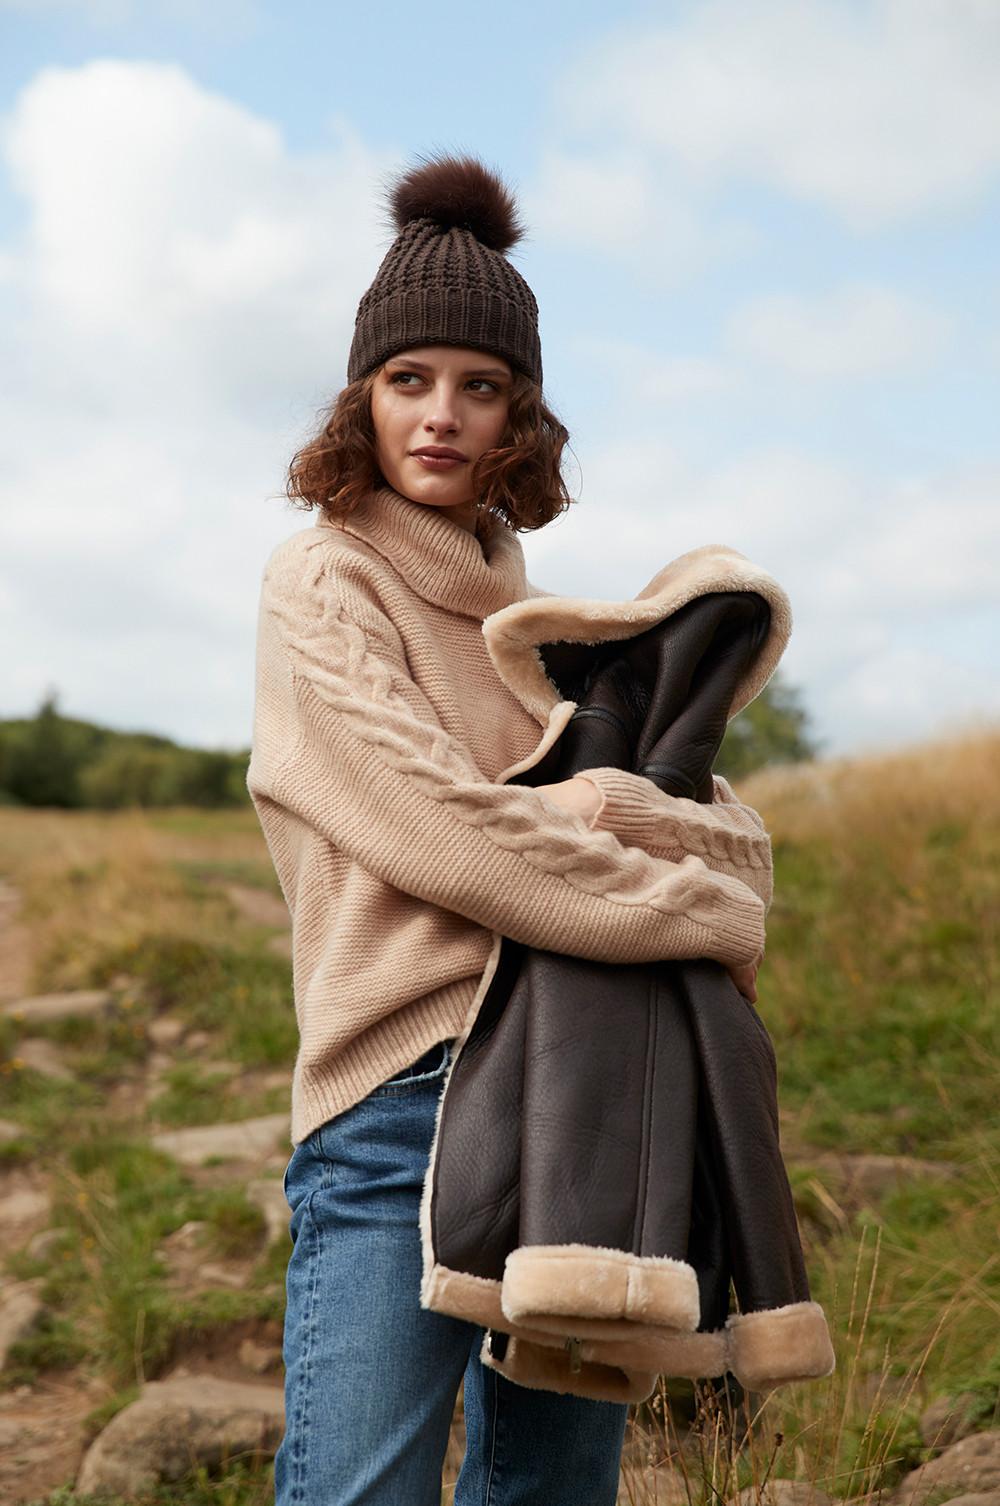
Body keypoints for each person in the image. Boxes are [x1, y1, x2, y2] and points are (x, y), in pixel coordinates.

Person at [247, 153, 766, 1506]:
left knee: (549, 1489)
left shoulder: (528, 614)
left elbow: (688, 819)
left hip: (573, 1089)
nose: (442, 416)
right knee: (359, 1486)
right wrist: (681, 885)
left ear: (521, 419)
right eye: (410, 379)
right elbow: (449, 832)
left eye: (482, 388)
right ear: (364, 394)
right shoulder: (325, 575)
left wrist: (655, 824)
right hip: (400, 1094)